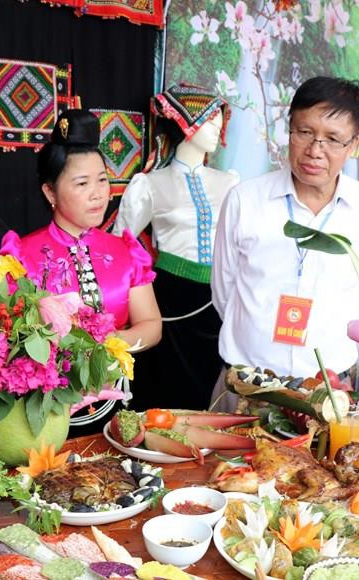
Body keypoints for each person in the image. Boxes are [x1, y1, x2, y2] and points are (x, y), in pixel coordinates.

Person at [211, 76, 359, 408]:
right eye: (304, 132)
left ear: (353, 145)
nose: (315, 151)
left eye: (332, 139)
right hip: (245, 386)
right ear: (289, 129)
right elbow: (225, 291)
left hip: (329, 394)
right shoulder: (245, 200)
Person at [0, 109, 161, 431]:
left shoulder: (126, 250)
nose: (99, 193)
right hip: (44, 412)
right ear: (50, 192)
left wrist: (113, 344)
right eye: (82, 183)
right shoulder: (21, 256)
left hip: (117, 405)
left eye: (102, 179)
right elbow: (9, 341)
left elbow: (151, 325)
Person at [113, 85, 238, 410]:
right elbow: (118, 246)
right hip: (168, 297)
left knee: (211, 381)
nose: (217, 129)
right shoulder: (150, 184)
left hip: (219, 296)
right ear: (186, 124)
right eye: (209, 120)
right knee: (163, 382)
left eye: (218, 121)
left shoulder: (231, 184)